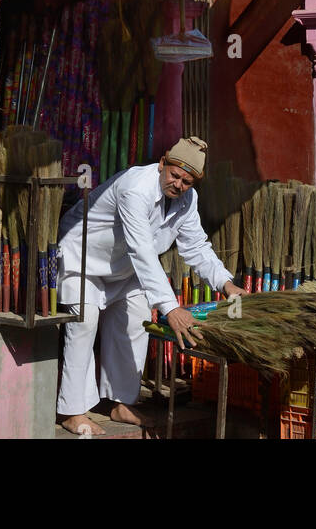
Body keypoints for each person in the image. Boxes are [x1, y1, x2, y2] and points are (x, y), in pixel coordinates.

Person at [55, 135, 245, 436]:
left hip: (122, 267)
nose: (179, 184)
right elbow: (142, 249)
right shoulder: (135, 188)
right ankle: (71, 410)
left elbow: (196, 245)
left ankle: (119, 402)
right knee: (85, 321)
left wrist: (226, 283)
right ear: (162, 163)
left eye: (187, 181)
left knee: (135, 316)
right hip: (83, 256)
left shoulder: (187, 200)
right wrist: (170, 308)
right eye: (174, 175)